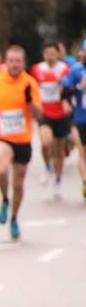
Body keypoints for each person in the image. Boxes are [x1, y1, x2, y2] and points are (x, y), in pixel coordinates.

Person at [0, 45, 42, 239]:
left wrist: (30, 101)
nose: (15, 64)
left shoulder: (30, 83)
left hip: (22, 138)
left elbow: (39, 114)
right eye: (11, 60)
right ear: (6, 62)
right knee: (2, 168)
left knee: (19, 184)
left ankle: (14, 217)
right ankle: (4, 199)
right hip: (1, 135)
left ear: (24, 63)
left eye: (18, 61)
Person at [31, 41, 73, 196]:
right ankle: (47, 165)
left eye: (53, 53)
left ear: (58, 54)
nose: (50, 56)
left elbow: (71, 90)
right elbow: (32, 89)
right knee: (46, 142)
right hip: (44, 113)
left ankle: (58, 179)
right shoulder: (37, 69)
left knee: (59, 150)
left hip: (61, 114)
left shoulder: (65, 70)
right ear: (43, 54)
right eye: (47, 53)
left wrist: (66, 102)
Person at [62, 53, 86, 200]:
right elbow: (65, 91)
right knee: (83, 152)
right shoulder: (76, 70)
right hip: (81, 118)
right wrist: (79, 86)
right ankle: (85, 182)